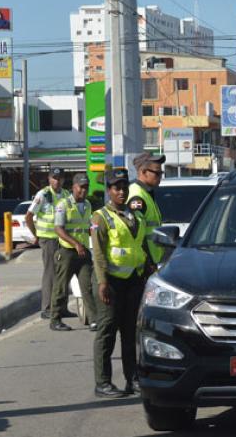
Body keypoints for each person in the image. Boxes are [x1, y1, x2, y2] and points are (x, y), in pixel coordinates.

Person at [90, 168, 148, 398]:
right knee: (107, 331)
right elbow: (99, 253)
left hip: (133, 280)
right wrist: (103, 282)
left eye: (124, 187)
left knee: (130, 333)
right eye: (116, 188)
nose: (121, 192)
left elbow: (140, 246)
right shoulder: (100, 217)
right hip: (111, 283)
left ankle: (132, 379)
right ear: (109, 191)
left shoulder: (136, 216)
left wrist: (148, 268)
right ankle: (102, 382)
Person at [50, 173, 99, 332]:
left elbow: (89, 227)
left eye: (86, 187)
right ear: (73, 187)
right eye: (80, 187)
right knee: (61, 287)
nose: (83, 191)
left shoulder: (88, 205)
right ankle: (55, 319)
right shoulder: (63, 204)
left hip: (83, 252)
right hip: (67, 252)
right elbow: (58, 229)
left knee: (88, 286)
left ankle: (93, 320)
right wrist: (76, 244)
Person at [25, 168, 70, 320]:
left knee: (63, 274)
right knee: (50, 273)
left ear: (63, 180)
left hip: (62, 239)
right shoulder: (43, 194)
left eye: (60, 178)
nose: (57, 181)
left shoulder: (65, 195)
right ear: (49, 179)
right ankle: (47, 308)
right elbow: (29, 216)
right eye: (54, 178)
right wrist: (36, 235)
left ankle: (61, 307)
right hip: (48, 239)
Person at [129, 152, 165, 269]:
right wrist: (148, 262)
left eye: (161, 173)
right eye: (157, 173)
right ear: (143, 172)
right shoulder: (137, 196)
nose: (160, 176)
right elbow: (138, 235)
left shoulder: (146, 193)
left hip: (153, 262)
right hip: (144, 264)